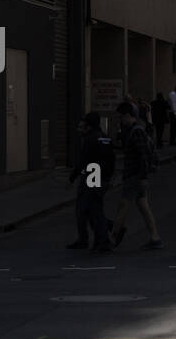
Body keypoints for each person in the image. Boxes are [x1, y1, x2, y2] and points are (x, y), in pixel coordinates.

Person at [109, 101, 163, 250]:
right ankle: (155, 237)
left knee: (123, 206)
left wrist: (143, 176)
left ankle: (112, 237)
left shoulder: (136, 131)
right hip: (137, 176)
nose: (120, 121)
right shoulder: (135, 130)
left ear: (128, 116)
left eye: (121, 117)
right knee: (143, 206)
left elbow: (143, 155)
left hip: (135, 176)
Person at [66, 112, 114, 252]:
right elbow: (111, 159)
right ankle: (99, 238)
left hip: (92, 176)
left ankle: (99, 239)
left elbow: (83, 161)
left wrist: (73, 177)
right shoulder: (106, 138)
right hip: (103, 177)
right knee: (94, 208)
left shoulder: (90, 139)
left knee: (88, 209)